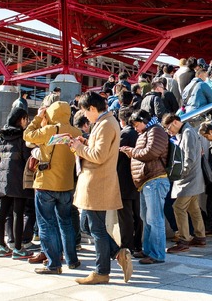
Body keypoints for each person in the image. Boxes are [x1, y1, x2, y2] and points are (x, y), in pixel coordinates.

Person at [69, 92, 132, 285]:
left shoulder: (105, 124)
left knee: (95, 228)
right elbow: (98, 148)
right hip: (96, 182)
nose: (85, 116)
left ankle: (102, 271)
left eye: (85, 111)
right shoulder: (105, 122)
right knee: (88, 225)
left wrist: (78, 148)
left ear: (93, 109)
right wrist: (85, 142)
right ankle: (118, 253)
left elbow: (98, 155)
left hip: (97, 183)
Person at [23, 101, 82, 275]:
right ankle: (72, 259)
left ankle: (54, 263)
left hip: (46, 184)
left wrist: (38, 118)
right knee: (66, 223)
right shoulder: (76, 132)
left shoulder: (50, 129)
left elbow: (27, 135)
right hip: (66, 185)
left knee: (46, 224)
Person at [120, 109, 169, 265]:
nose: (135, 128)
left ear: (143, 120)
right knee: (146, 219)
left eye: (136, 124)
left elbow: (152, 152)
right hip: (147, 181)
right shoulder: (148, 132)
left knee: (155, 220)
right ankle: (148, 250)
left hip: (155, 180)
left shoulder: (157, 130)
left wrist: (132, 152)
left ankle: (157, 254)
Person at [0, 107, 33, 259]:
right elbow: (27, 159)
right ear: (21, 119)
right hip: (18, 179)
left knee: (2, 214)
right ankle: (18, 248)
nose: (27, 122)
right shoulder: (22, 137)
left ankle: (2, 246)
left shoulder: (0, 137)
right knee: (18, 213)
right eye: (26, 119)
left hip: (1, 178)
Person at [162, 113, 207, 253]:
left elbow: (189, 158)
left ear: (175, 122)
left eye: (169, 128)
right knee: (194, 208)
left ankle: (183, 240)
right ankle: (200, 237)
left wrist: (180, 173)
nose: (169, 132)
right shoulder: (185, 132)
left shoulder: (187, 133)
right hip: (191, 178)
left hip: (188, 179)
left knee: (178, 207)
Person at [115, 108, 143, 257]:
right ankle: (138, 244)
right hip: (137, 179)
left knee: (125, 215)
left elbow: (116, 157)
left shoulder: (124, 133)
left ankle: (127, 245)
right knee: (137, 214)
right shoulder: (139, 133)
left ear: (122, 120)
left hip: (124, 180)